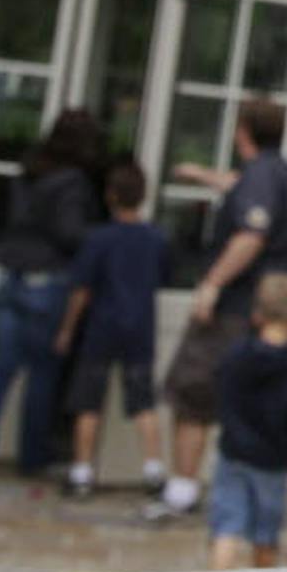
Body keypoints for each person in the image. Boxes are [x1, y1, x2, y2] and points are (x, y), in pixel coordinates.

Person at [146, 97, 287, 522]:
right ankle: (251, 496)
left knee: (193, 390)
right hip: (264, 306)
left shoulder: (261, 175)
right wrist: (202, 175)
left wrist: (211, 285)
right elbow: (242, 188)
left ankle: (183, 490)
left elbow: (251, 235)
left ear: (243, 131)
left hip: (237, 305)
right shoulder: (279, 171)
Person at [0, 108, 102, 476]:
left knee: (0, 369)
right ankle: (33, 459)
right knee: (42, 375)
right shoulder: (72, 181)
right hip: (46, 280)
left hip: (10, 274)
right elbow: (69, 233)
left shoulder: (30, 170)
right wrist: (103, 237)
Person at [53, 161, 171, 499]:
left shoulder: (99, 239)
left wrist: (67, 328)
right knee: (143, 401)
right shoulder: (156, 239)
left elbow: (82, 290)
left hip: (102, 327)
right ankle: (153, 469)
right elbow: (164, 278)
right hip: (139, 327)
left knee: (88, 402)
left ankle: (82, 471)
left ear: (111, 196)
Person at [208, 271, 287, 570]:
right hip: (272, 461)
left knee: (226, 527)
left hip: (233, 452)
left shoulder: (236, 355)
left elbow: (219, 387)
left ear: (257, 314)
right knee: (265, 534)